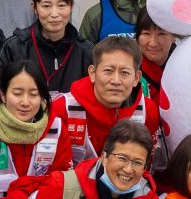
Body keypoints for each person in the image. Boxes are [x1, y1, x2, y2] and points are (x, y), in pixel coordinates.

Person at [7, 120, 167, 199]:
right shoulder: (63, 186)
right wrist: (18, 197)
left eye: (138, 163)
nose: (128, 169)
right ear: (104, 157)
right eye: (122, 158)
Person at [0, 60, 84, 199]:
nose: (25, 102)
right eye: (17, 93)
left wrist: (23, 191)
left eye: (33, 94)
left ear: (42, 96)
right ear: (3, 95)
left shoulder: (57, 129)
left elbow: (61, 183)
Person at [51, 35, 161, 163]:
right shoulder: (62, 108)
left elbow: (147, 165)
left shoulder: (148, 111)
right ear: (92, 73)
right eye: (108, 71)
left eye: (124, 73)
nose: (115, 81)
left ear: (136, 78)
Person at [0, 0, 94, 98]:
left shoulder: (86, 51)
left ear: (71, 6)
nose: (54, 14)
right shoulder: (15, 47)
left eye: (61, 5)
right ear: (34, 8)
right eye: (46, 6)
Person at [135, 9, 176, 101]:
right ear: (137, 37)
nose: (153, 43)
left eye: (161, 34)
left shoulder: (186, 65)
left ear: (174, 36)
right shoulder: (130, 69)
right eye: (146, 33)